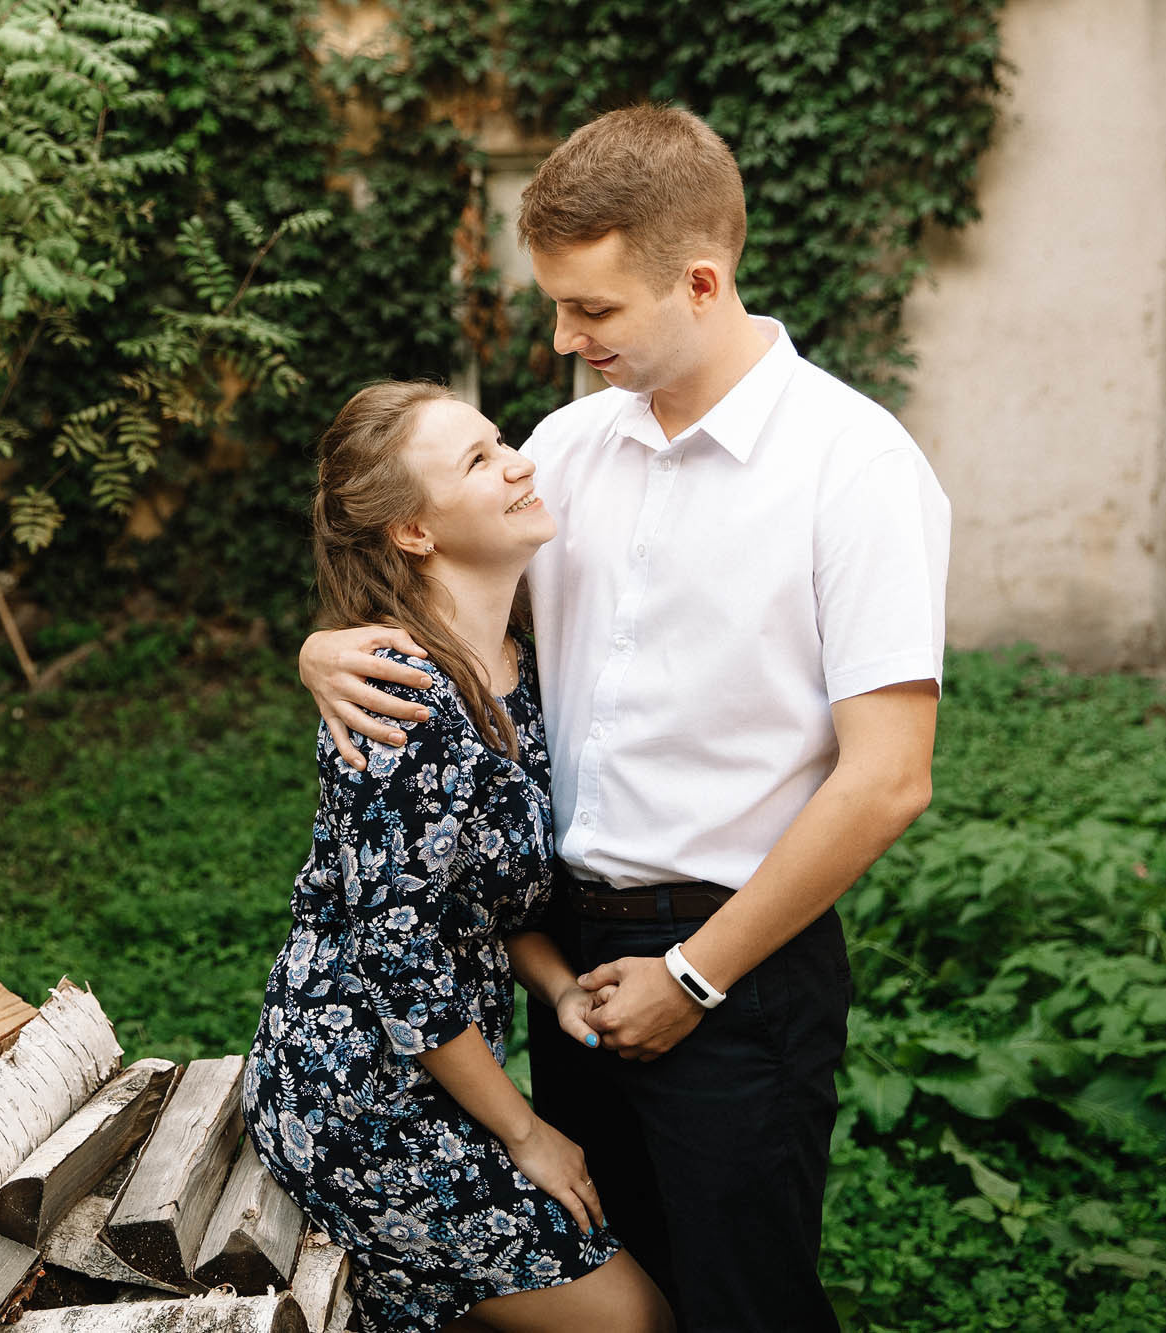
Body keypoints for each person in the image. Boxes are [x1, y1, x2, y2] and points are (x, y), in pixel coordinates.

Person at [299, 105, 950, 1332]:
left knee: (739, 1304)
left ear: (699, 281)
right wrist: (320, 646)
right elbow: (452, 612)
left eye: (591, 310)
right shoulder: (565, 446)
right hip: (558, 958)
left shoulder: (851, 468)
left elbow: (886, 780)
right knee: (616, 1290)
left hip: (736, 964)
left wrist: (693, 979)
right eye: (554, 303)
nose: (561, 336)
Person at [243, 381, 673, 1333]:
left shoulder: (516, 665)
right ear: (413, 533)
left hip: (438, 1070)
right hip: (357, 1089)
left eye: (502, 439)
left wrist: (557, 986)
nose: (520, 461)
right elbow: (400, 962)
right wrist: (526, 1132)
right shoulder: (400, 698)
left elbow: (483, 903)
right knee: (633, 1319)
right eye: (478, 460)